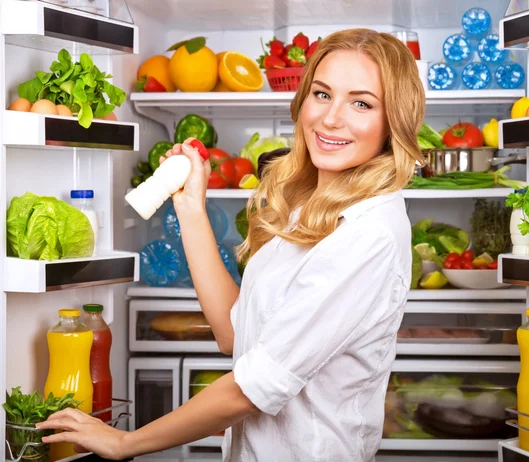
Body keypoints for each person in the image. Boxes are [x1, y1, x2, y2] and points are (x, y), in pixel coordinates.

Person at [36, 27, 425, 461]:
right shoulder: (311, 207)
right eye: (321, 94)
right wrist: (191, 208)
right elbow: (235, 334)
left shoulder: (366, 233)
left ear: (394, 122)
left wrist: (124, 442)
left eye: (361, 103)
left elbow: (252, 387)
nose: (331, 118)